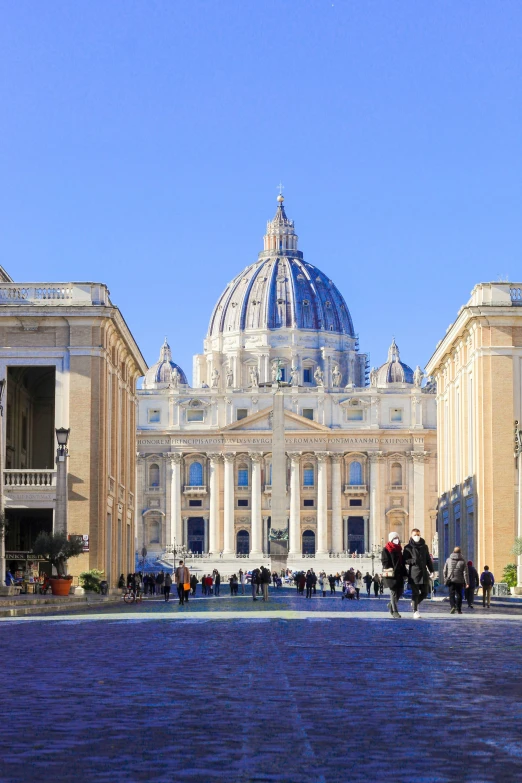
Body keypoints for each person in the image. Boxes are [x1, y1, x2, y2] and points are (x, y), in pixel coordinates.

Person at [403, 528, 434, 619]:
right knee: (415, 593)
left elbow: (428, 559)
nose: (417, 536)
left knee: (425, 592)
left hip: (424, 572)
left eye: (418, 534)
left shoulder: (425, 546)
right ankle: (415, 611)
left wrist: (432, 570)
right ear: (411, 536)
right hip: (414, 573)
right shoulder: (408, 547)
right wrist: (413, 561)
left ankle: (414, 603)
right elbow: (405, 560)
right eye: (415, 535)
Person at [381, 531, 407, 619]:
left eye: (397, 538)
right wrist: (389, 567)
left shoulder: (399, 549)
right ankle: (395, 611)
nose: (396, 540)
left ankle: (391, 605)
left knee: (400, 591)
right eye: (394, 538)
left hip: (399, 573)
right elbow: (384, 561)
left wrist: (405, 572)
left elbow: (402, 562)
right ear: (391, 539)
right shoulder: (386, 549)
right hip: (391, 574)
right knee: (393, 592)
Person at [443, 547, 469, 615]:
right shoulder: (463, 561)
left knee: (451, 594)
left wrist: (445, 578)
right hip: (459, 581)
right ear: (460, 552)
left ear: (453, 551)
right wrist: (467, 582)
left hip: (451, 580)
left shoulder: (448, 560)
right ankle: (459, 609)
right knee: (459, 594)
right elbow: (465, 573)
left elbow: (444, 570)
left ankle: (452, 606)